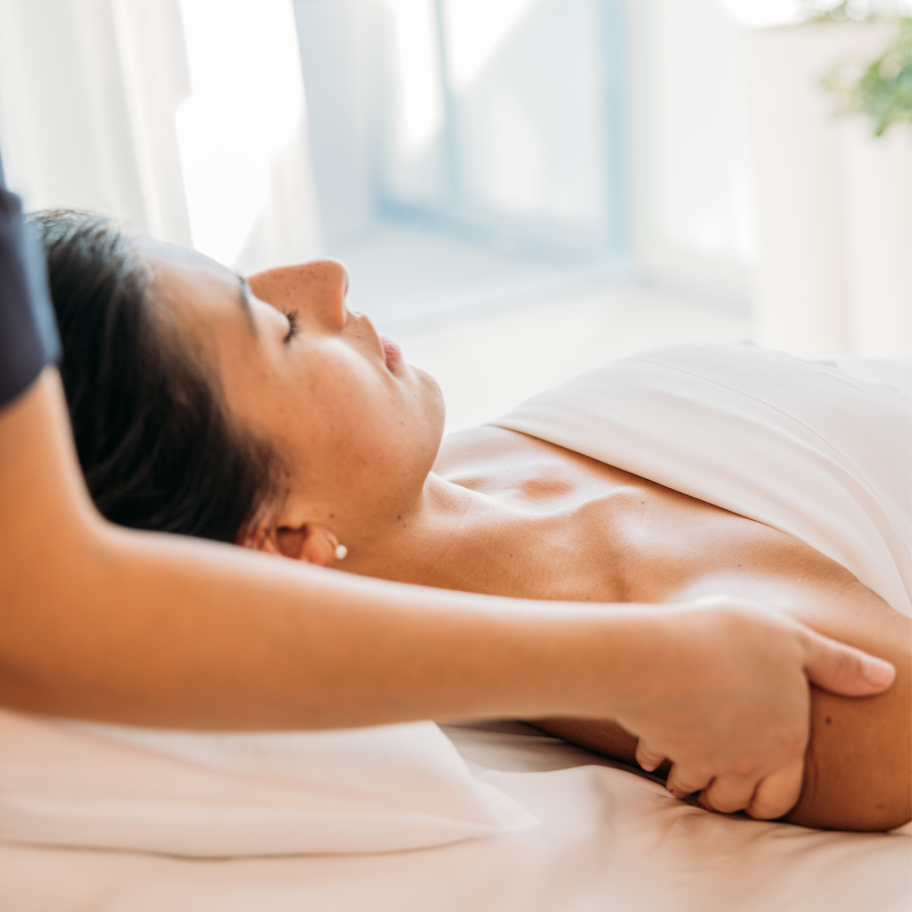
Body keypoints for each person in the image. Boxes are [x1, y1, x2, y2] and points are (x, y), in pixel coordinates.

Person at [0, 195, 899, 840]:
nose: (328, 276)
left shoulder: (475, 459)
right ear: (278, 537)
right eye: (275, 325)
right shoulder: (678, 639)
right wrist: (649, 667)